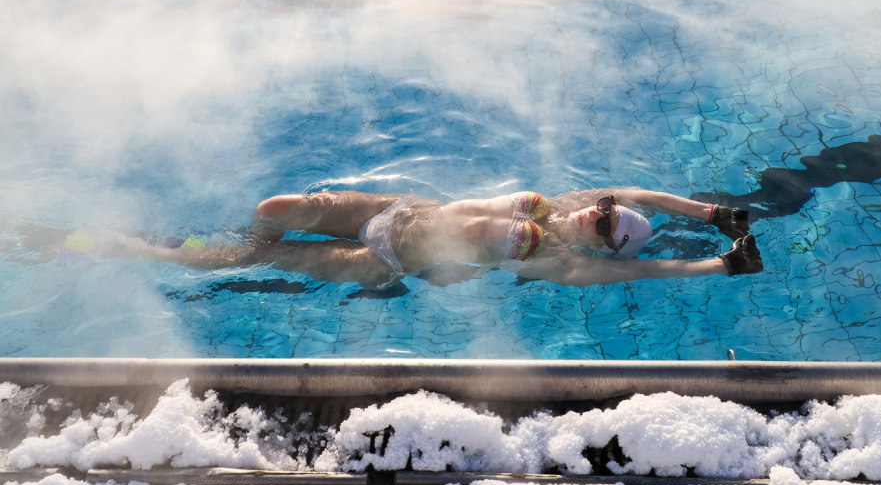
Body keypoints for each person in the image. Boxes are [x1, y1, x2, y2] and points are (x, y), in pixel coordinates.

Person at [95, 187, 763, 289]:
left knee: (262, 255)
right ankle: (234, 241)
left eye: (611, 226)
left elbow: (641, 273)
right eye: (607, 208)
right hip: (395, 209)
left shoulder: (561, 261)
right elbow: (639, 191)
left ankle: (150, 249)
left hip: (383, 257)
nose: (605, 211)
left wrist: (716, 264)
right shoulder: (556, 203)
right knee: (275, 206)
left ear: (605, 244)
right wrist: (711, 213)